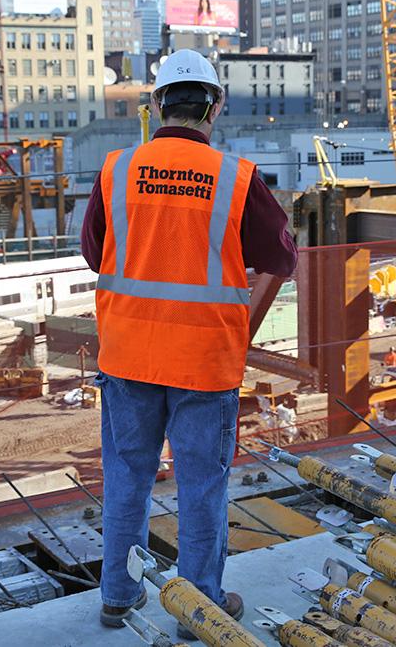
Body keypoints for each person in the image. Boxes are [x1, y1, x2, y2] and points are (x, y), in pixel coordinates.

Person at [81, 49, 297, 637]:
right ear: (215, 107)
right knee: (202, 485)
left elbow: (93, 250)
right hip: (203, 363)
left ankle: (118, 597)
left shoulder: (117, 169)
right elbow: (281, 257)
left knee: (127, 478)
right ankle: (198, 607)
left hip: (127, 356)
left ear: (156, 105)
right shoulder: (237, 178)